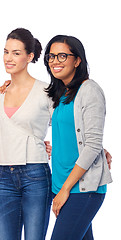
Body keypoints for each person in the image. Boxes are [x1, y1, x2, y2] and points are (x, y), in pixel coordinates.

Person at [44, 35, 112, 240]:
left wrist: (65, 190)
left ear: (77, 60)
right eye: (51, 56)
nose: (55, 61)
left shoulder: (89, 90)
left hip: (82, 190)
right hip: (61, 185)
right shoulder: (61, 93)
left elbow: (92, 145)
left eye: (62, 56)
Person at [0, 28, 53, 240]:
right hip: (4, 175)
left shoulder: (47, 91)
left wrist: (96, 148)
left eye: (16, 53)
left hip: (35, 173)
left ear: (29, 57)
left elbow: (68, 125)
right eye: (6, 51)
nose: (8, 58)